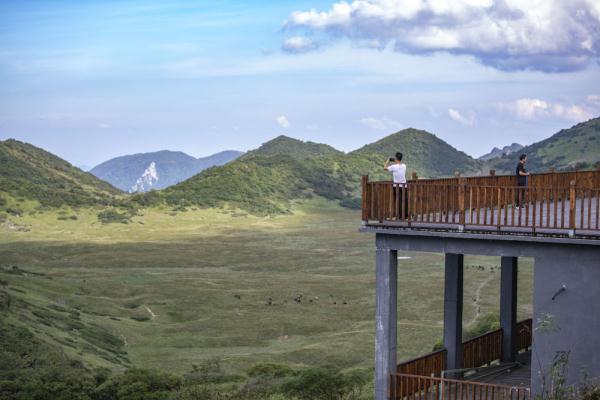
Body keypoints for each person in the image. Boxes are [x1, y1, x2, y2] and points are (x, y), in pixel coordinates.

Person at [384, 152, 408, 218]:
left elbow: (384, 168)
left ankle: (400, 216)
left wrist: (388, 160)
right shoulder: (404, 166)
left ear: (396, 158)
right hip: (404, 186)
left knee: (399, 201)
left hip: (397, 187)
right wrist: (395, 160)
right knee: (405, 200)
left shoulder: (393, 167)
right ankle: (405, 215)